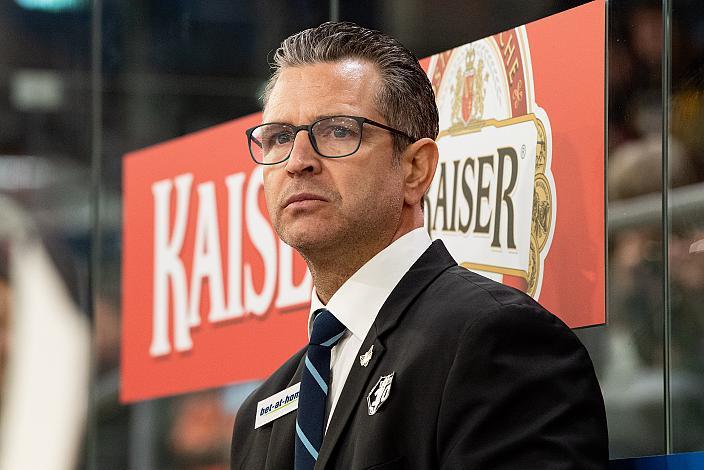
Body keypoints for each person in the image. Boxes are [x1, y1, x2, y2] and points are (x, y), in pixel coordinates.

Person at [230, 22, 607, 470]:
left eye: (337, 131)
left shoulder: (496, 339)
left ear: (415, 169)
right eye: (278, 138)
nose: (297, 162)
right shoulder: (261, 410)